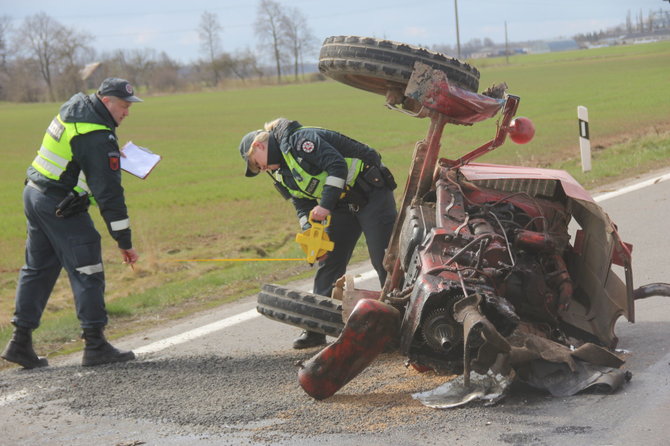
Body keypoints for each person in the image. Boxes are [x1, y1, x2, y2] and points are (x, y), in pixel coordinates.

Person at [1, 77, 142, 369]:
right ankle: (95, 345)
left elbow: (74, 157)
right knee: (88, 268)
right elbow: (109, 195)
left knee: (37, 269)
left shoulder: (75, 108)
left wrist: (108, 156)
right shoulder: (96, 135)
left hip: (35, 194)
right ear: (106, 102)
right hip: (60, 206)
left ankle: (19, 342)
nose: (127, 112)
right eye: (123, 106)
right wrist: (124, 242)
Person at [239, 118, 398, 349]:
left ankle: (397, 322)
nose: (262, 169)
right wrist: (310, 232)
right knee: (329, 262)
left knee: (382, 258)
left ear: (260, 146)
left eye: (257, 163)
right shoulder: (279, 172)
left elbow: (337, 166)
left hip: (371, 192)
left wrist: (324, 205)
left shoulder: (299, 140)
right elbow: (300, 202)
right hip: (341, 203)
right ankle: (315, 330)